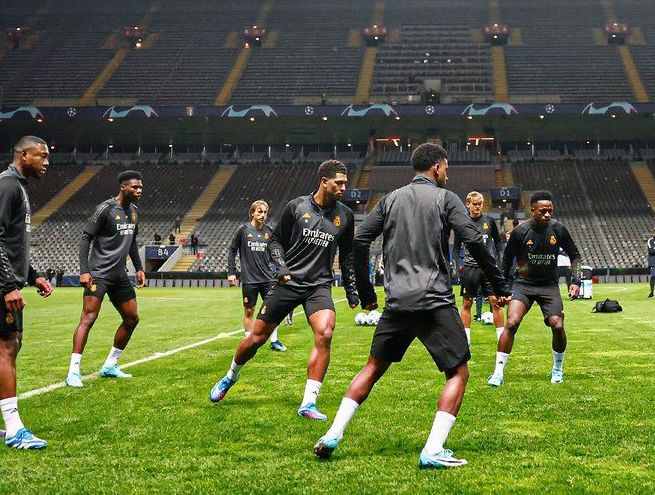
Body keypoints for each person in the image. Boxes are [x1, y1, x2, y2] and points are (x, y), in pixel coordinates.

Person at [314, 143, 510, 468]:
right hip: (433, 299)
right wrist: (501, 284)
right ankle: (433, 449)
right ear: (436, 168)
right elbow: (473, 240)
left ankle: (333, 433)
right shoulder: (446, 198)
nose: (447, 174)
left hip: (397, 301)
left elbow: (361, 239)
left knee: (373, 367)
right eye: (446, 168)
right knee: (458, 372)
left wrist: (366, 292)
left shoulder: (390, 198)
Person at [209, 160, 358, 421]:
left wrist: (353, 290)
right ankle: (231, 375)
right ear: (324, 181)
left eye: (346, 182)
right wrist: (280, 267)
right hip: (288, 282)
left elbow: (347, 256)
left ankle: (309, 402)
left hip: (318, 285)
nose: (344, 187)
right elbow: (276, 242)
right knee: (256, 339)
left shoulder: (345, 215)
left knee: (325, 332)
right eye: (340, 182)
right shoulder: (297, 207)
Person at [0, 136, 55, 450]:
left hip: (2, 280)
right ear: (24, 154)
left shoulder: (19, 187)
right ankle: (15, 429)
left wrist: (33, 276)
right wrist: (8, 286)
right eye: (41, 156)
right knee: (7, 346)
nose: (46, 162)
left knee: (11, 344)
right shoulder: (7, 185)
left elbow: (14, 244)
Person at [489, 191, 581, 387]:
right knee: (512, 322)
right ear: (533, 211)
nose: (547, 214)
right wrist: (502, 289)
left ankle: (557, 369)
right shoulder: (520, 232)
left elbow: (575, 256)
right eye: (543, 211)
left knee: (557, 325)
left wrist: (576, 280)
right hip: (523, 284)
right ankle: (498, 372)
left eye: (550, 211)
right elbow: (506, 260)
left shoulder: (559, 230)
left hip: (548, 285)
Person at [66, 170, 147, 388]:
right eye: (135, 187)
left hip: (119, 274)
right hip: (99, 273)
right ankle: (73, 371)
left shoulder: (135, 212)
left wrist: (139, 268)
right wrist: (84, 270)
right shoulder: (105, 209)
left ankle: (110, 365)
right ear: (123, 187)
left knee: (132, 318)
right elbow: (86, 238)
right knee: (88, 318)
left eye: (140, 187)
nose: (139, 191)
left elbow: (131, 242)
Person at [227, 200, 286, 351]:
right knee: (249, 311)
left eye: (265, 212)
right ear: (252, 212)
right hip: (249, 279)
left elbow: (274, 253)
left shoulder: (269, 232)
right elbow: (232, 251)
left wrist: (282, 268)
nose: (263, 215)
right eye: (259, 212)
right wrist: (231, 273)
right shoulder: (243, 230)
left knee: (273, 309)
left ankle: (274, 341)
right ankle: (248, 342)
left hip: (268, 278)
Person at [453, 191, 505, 342]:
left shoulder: (489, 221)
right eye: (474, 204)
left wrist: (499, 264)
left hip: (489, 268)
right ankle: (466, 340)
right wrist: (457, 268)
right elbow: (456, 248)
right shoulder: (462, 223)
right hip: (470, 268)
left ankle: (502, 339)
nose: (477, 207)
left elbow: (498, 243)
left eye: (480, 204)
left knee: (495, 302)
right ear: (468, 204)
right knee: (467, 303)